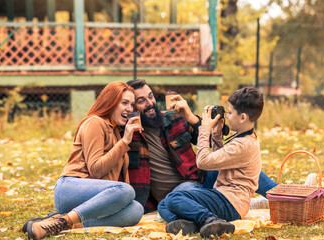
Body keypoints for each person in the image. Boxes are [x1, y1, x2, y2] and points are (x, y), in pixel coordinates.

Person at [125, 79, 277, 214]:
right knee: (177, 196)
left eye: (151, 96)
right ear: (132, 107)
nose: (150, 103)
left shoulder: (172, 117)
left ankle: (281, 196)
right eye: (141, 100)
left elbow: (208, 142)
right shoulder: (129, 135)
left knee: (240, 162)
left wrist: (191, 117)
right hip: (180, 192)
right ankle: (243, 205)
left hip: (200, 179)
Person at [23, 82, 144, 240]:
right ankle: (64, 220)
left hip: (91, 197)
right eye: (125, 103)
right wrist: (125, 142)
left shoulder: (115, 132)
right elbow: (96, 170)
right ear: (111, 102)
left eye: (132, 104)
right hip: (70, 188)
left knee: (136, 209)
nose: (129, 109)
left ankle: (58, 223)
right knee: (126, 190)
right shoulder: (95, 122)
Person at [159, 87, 264, 238]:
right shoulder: (245, 138)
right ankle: (194, 224)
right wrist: (216, 134)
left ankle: (209, 219)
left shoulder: (242, 145)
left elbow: (203, 162)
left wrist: (205, 129)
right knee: (163, 204)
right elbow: (219, 161)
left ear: (242, 118)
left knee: (173, 199)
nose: (227, 116)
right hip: (225, 198)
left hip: (230, 203)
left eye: (230, 112)